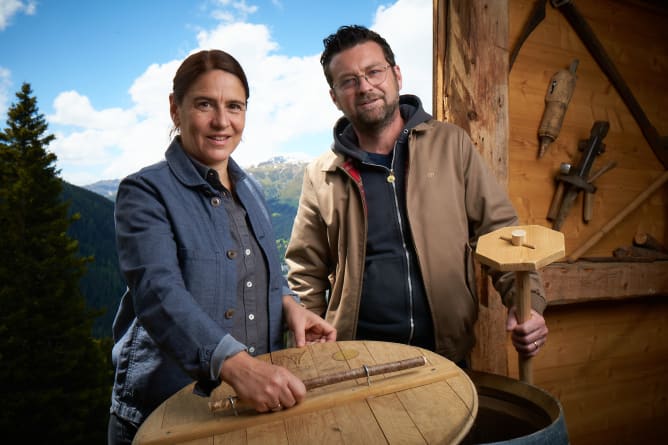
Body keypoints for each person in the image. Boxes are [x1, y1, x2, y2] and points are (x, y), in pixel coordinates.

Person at [108, 49, 336, 445]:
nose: (221, 121)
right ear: (175, 110)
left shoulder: (252, 189)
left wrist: (289, 306)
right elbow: (159, 296)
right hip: (167, 415)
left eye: (234, 106)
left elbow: (263, 271)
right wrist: (235, 364)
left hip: (249, 410)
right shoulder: (144, 192)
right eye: (204, 105)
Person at [285, 25, 547, 368]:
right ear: (335, 96)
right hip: (357, 359)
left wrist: (528, 305)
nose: (365, 87)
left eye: (373, 72)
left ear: (396, 75)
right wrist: (311, 345)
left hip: (447, 355)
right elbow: (306, 271)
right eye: (348, 81)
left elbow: (500, 233)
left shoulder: (451, 145)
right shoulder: (321, 173)